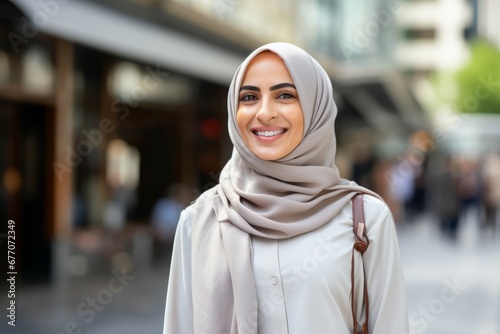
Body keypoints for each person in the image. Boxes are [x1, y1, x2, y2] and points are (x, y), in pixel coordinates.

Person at [163, 42, 409, 334]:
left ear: (316, 108)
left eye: (285, 95)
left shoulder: (366, 218)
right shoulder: (200, 219)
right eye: (250, 97)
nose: (264, 113)